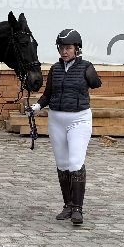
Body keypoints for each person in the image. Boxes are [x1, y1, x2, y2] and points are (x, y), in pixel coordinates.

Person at [30, 28, 102, 226]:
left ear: (77, 49)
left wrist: (91, 75)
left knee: (75, 162)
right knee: (62, 163)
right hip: (56, 119)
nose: (64, 51)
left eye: (68, 48)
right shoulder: (55, 69)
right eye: (61, 48)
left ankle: (78, 209)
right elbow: (48, 94)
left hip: (79, 119)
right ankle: (68, 205)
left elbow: (97, 84)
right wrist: (36, 107)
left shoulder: (86, 66)